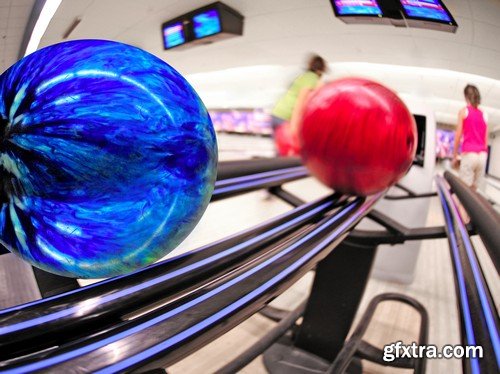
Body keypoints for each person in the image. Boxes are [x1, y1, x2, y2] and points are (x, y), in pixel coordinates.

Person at [270, 54, 327, 155]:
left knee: (280, 152)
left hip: (277, 113)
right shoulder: (313, 79)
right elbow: (300, 104)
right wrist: (294, 128)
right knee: (287, 154)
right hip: (286, 117)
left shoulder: (303, 76)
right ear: (321, 69)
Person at [452, 84, 489, 190]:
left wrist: (455, 155)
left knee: (464, 191)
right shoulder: (485, 114)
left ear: (466, 97)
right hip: (482, 156)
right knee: (474, 191)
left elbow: (458, 135)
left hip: (469, 155)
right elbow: (486, 140)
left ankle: (462, 207)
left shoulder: (464, 111)